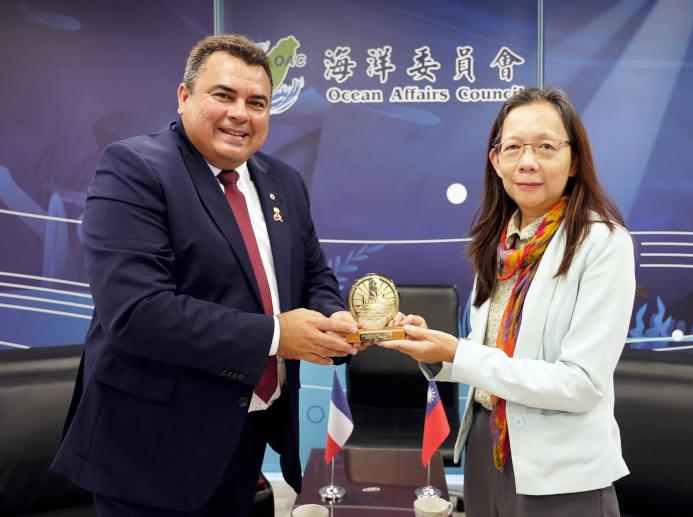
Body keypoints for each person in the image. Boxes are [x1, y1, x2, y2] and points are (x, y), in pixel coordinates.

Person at [52, 34, 360, 516]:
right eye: (224, 95)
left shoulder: (283, 181)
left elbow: (312, 273)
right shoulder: (134, 168)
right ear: (184, 96)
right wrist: (278, 335)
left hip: (245, 436)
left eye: (257, 103)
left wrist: (333, 316)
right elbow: (137, 313)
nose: (241, 114)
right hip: (149, 450)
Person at [383, 87, 635, 516]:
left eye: (545, 147)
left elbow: (581, 384)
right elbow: (489, 355)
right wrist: (436, 352)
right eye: (513, 147)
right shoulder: (501, 242)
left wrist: (459, 353)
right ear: (495, 160)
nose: (528, 161)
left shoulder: (603, 243)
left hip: (560, 468)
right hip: (488, 448)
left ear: (574, 160)